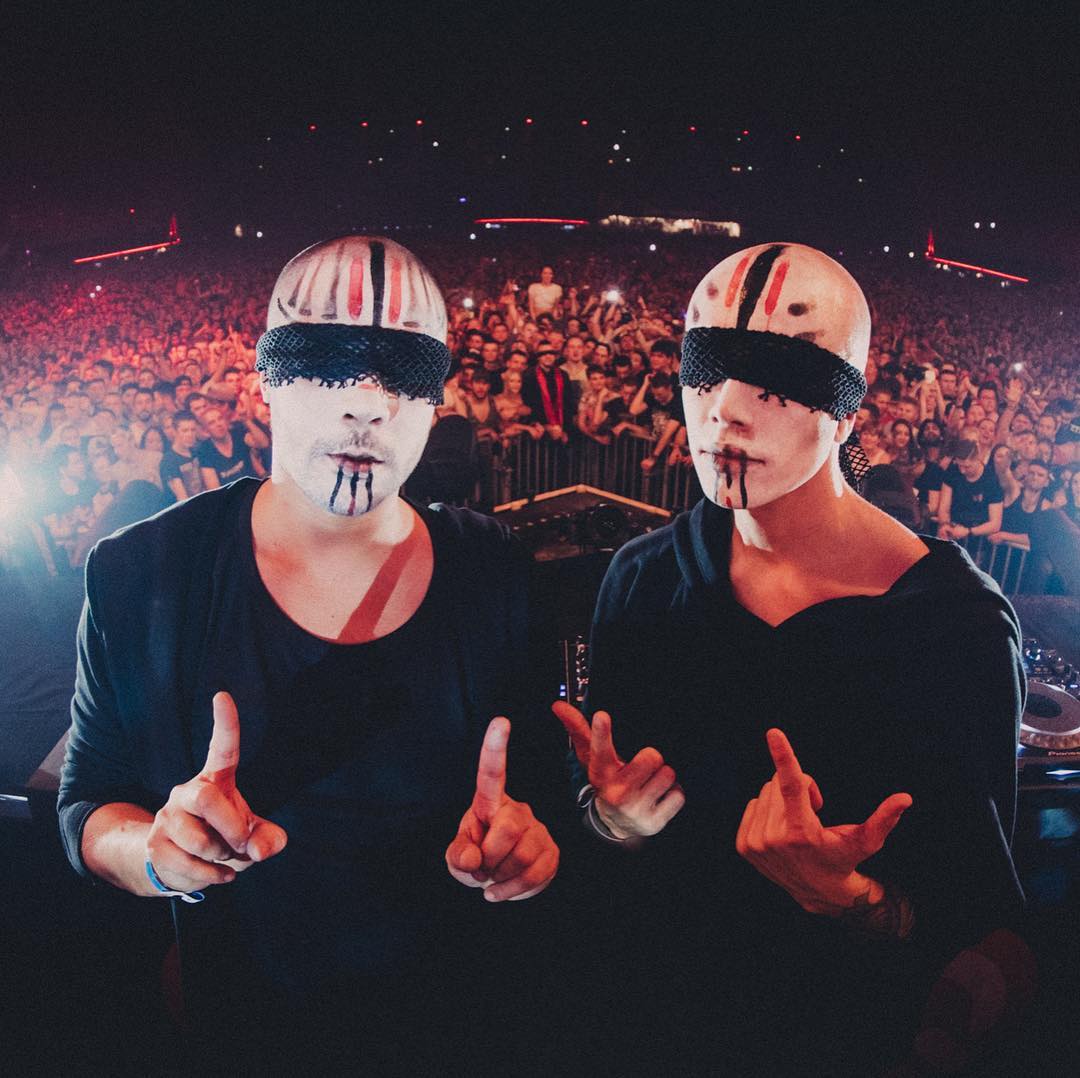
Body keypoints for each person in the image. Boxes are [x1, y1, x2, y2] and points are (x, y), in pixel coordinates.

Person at [58, 236, 562, 1068]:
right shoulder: (146, 573)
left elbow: (538, 796)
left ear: (437, 399)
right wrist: (155, 854)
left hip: (457, 1023)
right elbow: (88, 802)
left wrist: (532, 848)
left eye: (403, 373)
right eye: (325, 364)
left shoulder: (496, 571)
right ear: (266, 377)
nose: (365, 404)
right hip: (244, 1027)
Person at [554, 243, 1026, 1075]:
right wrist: (610, 818)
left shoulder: (953, 626)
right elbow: (606, 813)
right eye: (706, 372)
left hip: (840, 1035)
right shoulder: (643, 576)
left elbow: (981, 920)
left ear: (847, 408)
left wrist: (853, 899)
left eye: (777, 382)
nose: (727, 412)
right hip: (657, 1014)